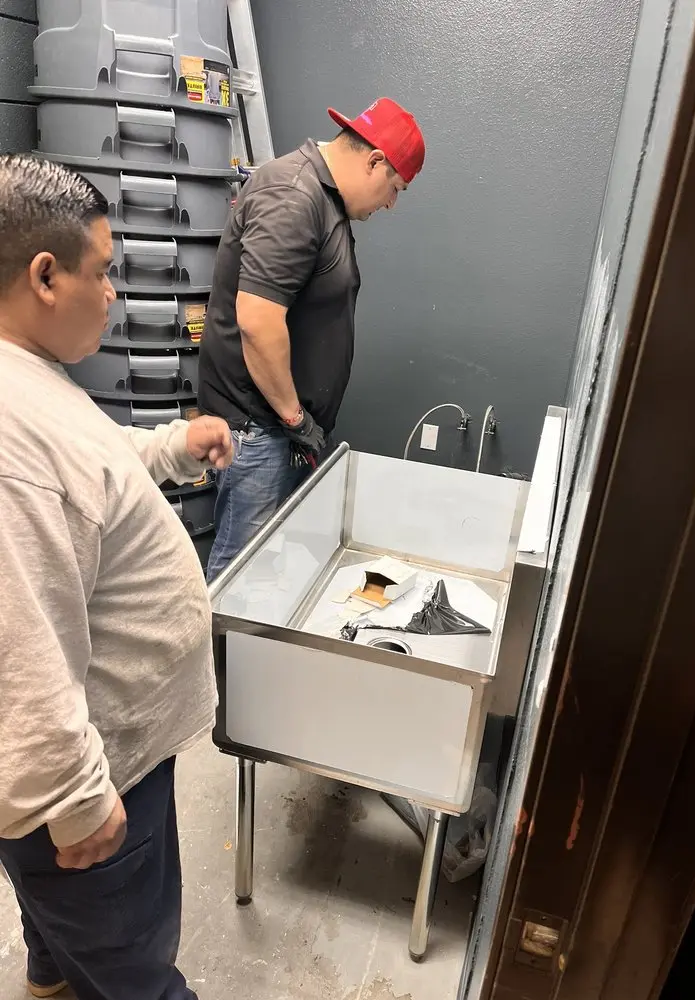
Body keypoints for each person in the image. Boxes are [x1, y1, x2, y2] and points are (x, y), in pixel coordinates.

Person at [0, 155, 233, 1000]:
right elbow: (17, 643)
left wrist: (170, 445)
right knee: (132, 963)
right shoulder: (7, 447)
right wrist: (75, 796)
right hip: (92, 769)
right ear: (45, 274)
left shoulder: (26, 377)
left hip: (107, 746)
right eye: (102, 274)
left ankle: (51, 975)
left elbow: (87, 470)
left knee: (62, 918)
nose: (114, 297)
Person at [198, 97, 426, 580]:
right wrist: (294, 416)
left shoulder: (327, 202)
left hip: (284, 428)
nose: (391, 203)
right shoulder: (293, 196)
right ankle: (217, 658)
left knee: (269, 569)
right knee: (242, 577)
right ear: (374, 160)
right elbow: (257, 322)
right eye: (395, 188)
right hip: (261, 429)